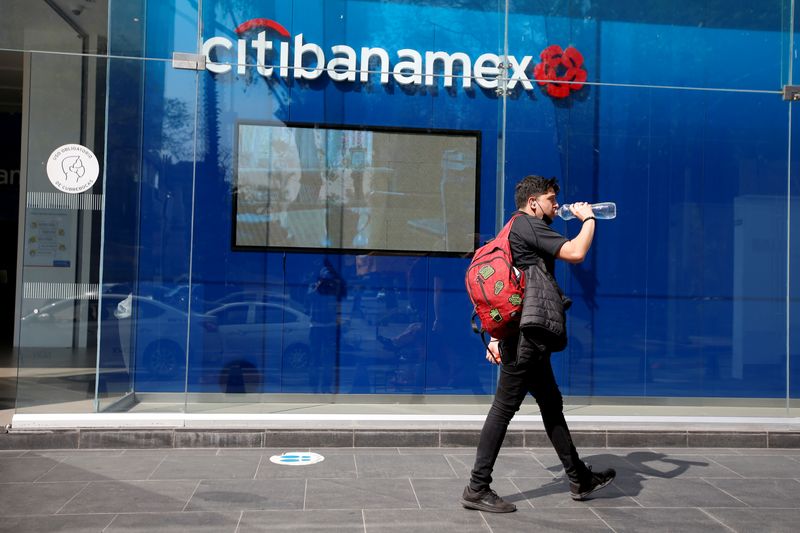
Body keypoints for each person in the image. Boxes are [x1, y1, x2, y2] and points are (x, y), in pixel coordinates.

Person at [460, 175, 616, 513]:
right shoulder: (529, 226)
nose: (556, 205)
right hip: (526, 337)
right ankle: (476, 487)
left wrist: (499, 338)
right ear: (533, 202)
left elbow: (512, 289)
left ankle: (579, 477)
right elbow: (575, 252)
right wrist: (588, 218)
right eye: (550, 199)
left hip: (523, 333)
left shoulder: (512, 229)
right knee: (503, 408)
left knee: (550, 403)